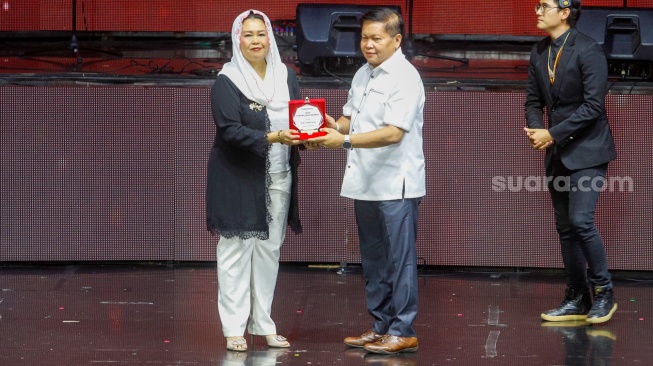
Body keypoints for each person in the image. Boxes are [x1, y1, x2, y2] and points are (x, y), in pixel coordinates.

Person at [308, 8, 425, 354]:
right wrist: (329, 124)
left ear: (396, 39)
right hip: (366, 181)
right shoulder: (363, 74)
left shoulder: (405, 76)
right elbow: (349, 120)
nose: (368, 45)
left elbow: (393, 133)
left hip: (396, 184)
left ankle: (403, 329)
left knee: (399, 260)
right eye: (364, 38)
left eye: (376, 38)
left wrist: (342, 140)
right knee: (373, 259)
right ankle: (381, 326)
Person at [205, 9, 303, 352]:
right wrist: (275, 136)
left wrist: (312, 131)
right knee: (235, 251)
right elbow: (230, 130)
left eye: (261, 33)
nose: (256, 41)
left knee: (269, 251)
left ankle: (264, 324)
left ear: (270, 37)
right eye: (248, 35)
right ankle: (234, 327)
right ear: (237, 39)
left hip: (279, 176)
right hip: (238, 176)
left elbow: (300, 116)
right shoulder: (227, 80)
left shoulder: (285, 75)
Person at [524, 0, 617, 324]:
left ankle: (604, 293)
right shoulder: (539, 51)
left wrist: (551, 132)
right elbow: (533, 99)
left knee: (581, 221)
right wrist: (537, 128)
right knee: (565, 228)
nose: (537, 10)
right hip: (557, 150)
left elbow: (593, 106)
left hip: (588, 151)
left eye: (544, 5)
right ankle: (577, 297)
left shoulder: (588, 49)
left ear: (565, 12)